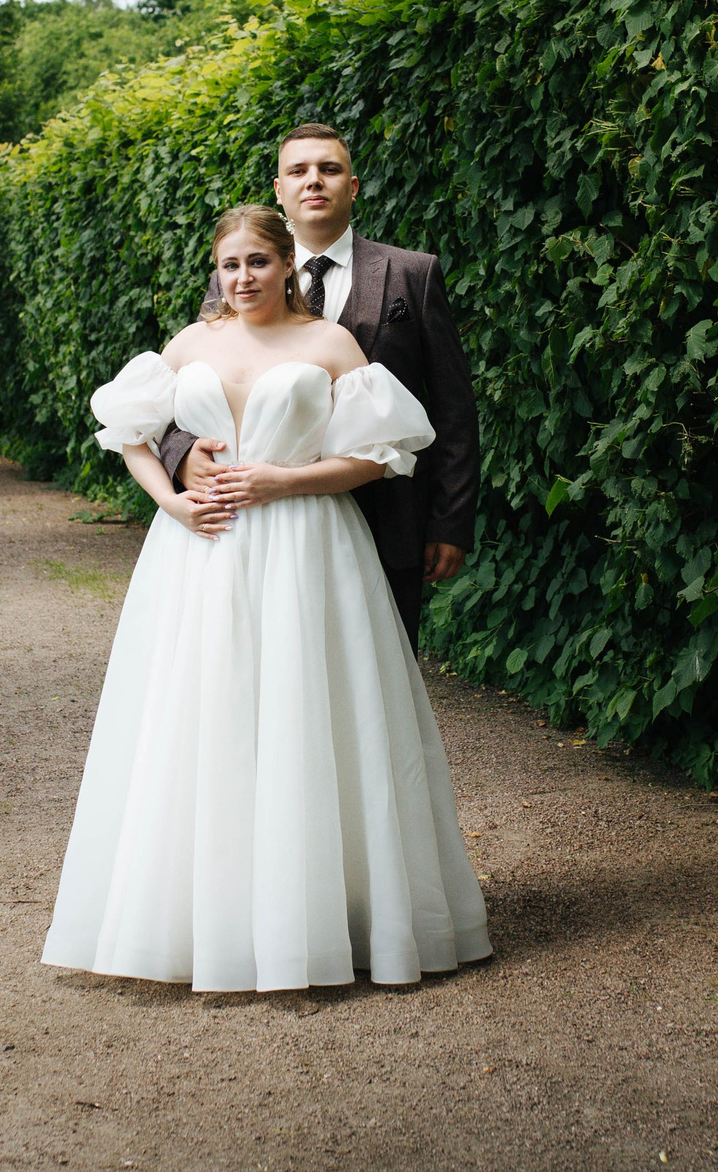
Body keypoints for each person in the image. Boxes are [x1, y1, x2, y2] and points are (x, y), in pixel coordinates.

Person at [42, 204, 491, 992]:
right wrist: (171, 502)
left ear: (287, 265)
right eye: (229, 265)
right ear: (215, 272)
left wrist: (287, 480)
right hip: (199, 551)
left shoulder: (331, 343)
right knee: (202, 718)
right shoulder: (189, 344)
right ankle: (202, 918)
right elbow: (131, 435)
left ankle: (333, 913)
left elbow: (379, 455)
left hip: (309, 545)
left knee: (309, 714)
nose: (242, 278)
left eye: (257, 262)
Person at [160, 123, 479, 647]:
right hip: (258, 522)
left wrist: (450, 522)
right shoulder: (237, 278)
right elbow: (196, 389)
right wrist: (183, 452)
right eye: (298, 171)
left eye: (329, 169)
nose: (313, 181)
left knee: (373, 667)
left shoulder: (412, 274)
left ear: (351, 187)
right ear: (279, 189)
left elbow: (453, 407)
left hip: (389, 515)